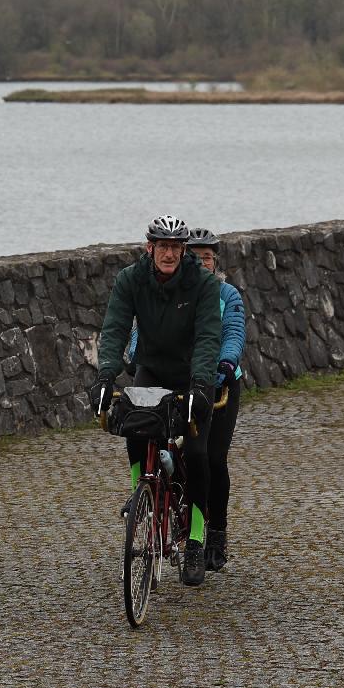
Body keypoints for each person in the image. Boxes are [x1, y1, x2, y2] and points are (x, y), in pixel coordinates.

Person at [92, 215, 223, 585]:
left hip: (192, 375)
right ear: (149, 248)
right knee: (134, 426)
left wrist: (200, 385)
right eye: (162, 246)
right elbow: (115, 329)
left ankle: (195, 538)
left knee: (197, 454)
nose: (169, 254)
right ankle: (141, 496)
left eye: (175, 248)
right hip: (151, 369)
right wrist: (105, 376)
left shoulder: (202, 284)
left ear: (183, 251)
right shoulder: (130, 280)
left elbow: (208, 337)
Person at [186, 227, 244, 571]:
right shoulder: (175, 292)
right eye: (194, 257)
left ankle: (217, 534)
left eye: (207, 257)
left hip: (220, 385)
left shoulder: (227, 294)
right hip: (182, 382)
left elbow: (234, 333)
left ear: (215, 261)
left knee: (212, 457)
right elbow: (142, 329)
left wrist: (224, 365)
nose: (202, 263)